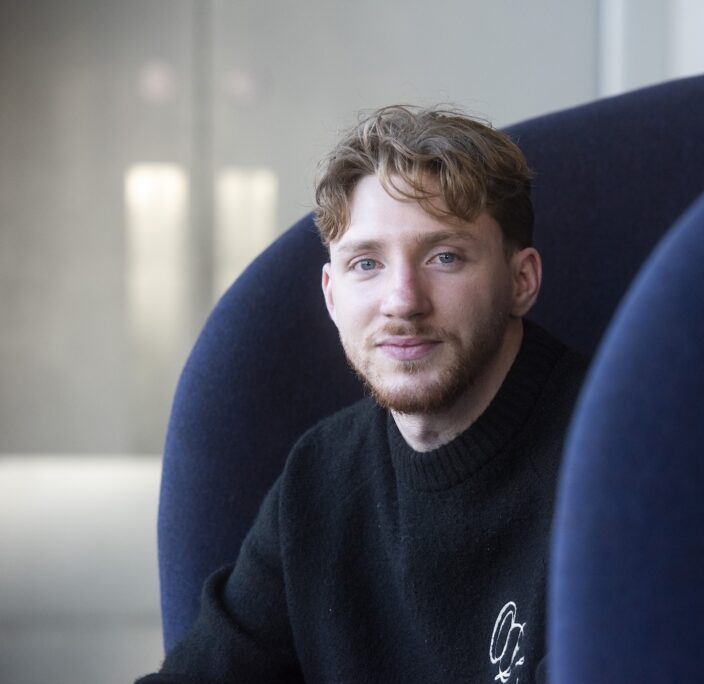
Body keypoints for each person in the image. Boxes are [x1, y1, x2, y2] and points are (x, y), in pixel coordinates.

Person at [137, 105, 589, 684]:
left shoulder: (615, 461)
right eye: (367, 263)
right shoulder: (318, 480)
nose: (402, 301)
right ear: (332, 296)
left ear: (521, 281)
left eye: (444, 257)